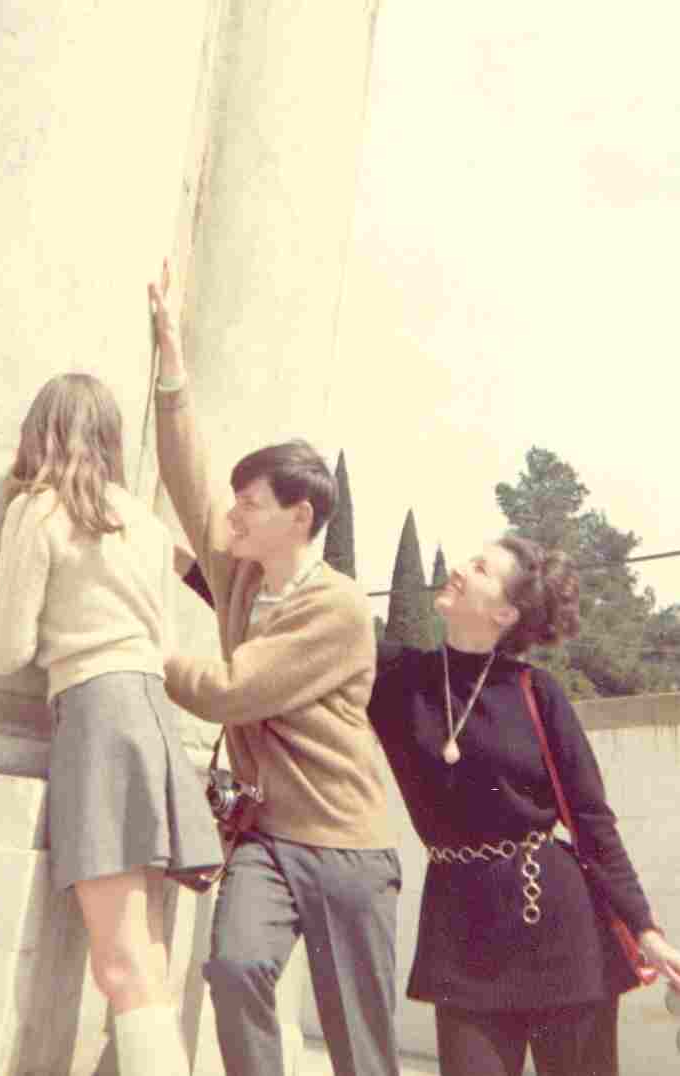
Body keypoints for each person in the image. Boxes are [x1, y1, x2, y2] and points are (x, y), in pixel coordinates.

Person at [148, 263, 402, 1076]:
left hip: (346, 854)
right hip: (266, 841)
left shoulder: (336, 610)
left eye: (248, 503)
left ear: (298, 516)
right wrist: (172, 371)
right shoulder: (244, 576)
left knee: (360, 1047)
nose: (230, 516)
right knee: (234, 968)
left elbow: (230, 689)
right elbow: (188, 484)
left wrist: (131, 653)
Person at [0, 373, 222, 1076]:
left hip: (95, 715)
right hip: (150, 715)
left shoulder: (42, 510)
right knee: (142, 956)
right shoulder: (144, 525)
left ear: (38, 431)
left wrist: (0, 590)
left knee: (120, 968)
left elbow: (7, 653)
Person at [368, 534, 680, 1076]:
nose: (460, 567)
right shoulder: (396, 678)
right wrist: (179, 562)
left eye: (481, 568)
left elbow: (591, 821)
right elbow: (290, 621)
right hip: (461, 933)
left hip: (561, 931)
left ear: (505, 612)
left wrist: (646, 930)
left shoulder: (538, 691)